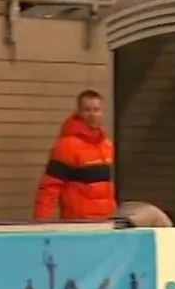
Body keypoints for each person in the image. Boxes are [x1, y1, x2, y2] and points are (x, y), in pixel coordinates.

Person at [33, 90, 117, 221]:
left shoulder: (106, 145)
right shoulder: (66, 146)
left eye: (96, 110)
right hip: (78, 222)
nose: (92, 115)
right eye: (87, 110)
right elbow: (49, 188)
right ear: (79, 113)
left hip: (106, 221)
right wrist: (40, 222)